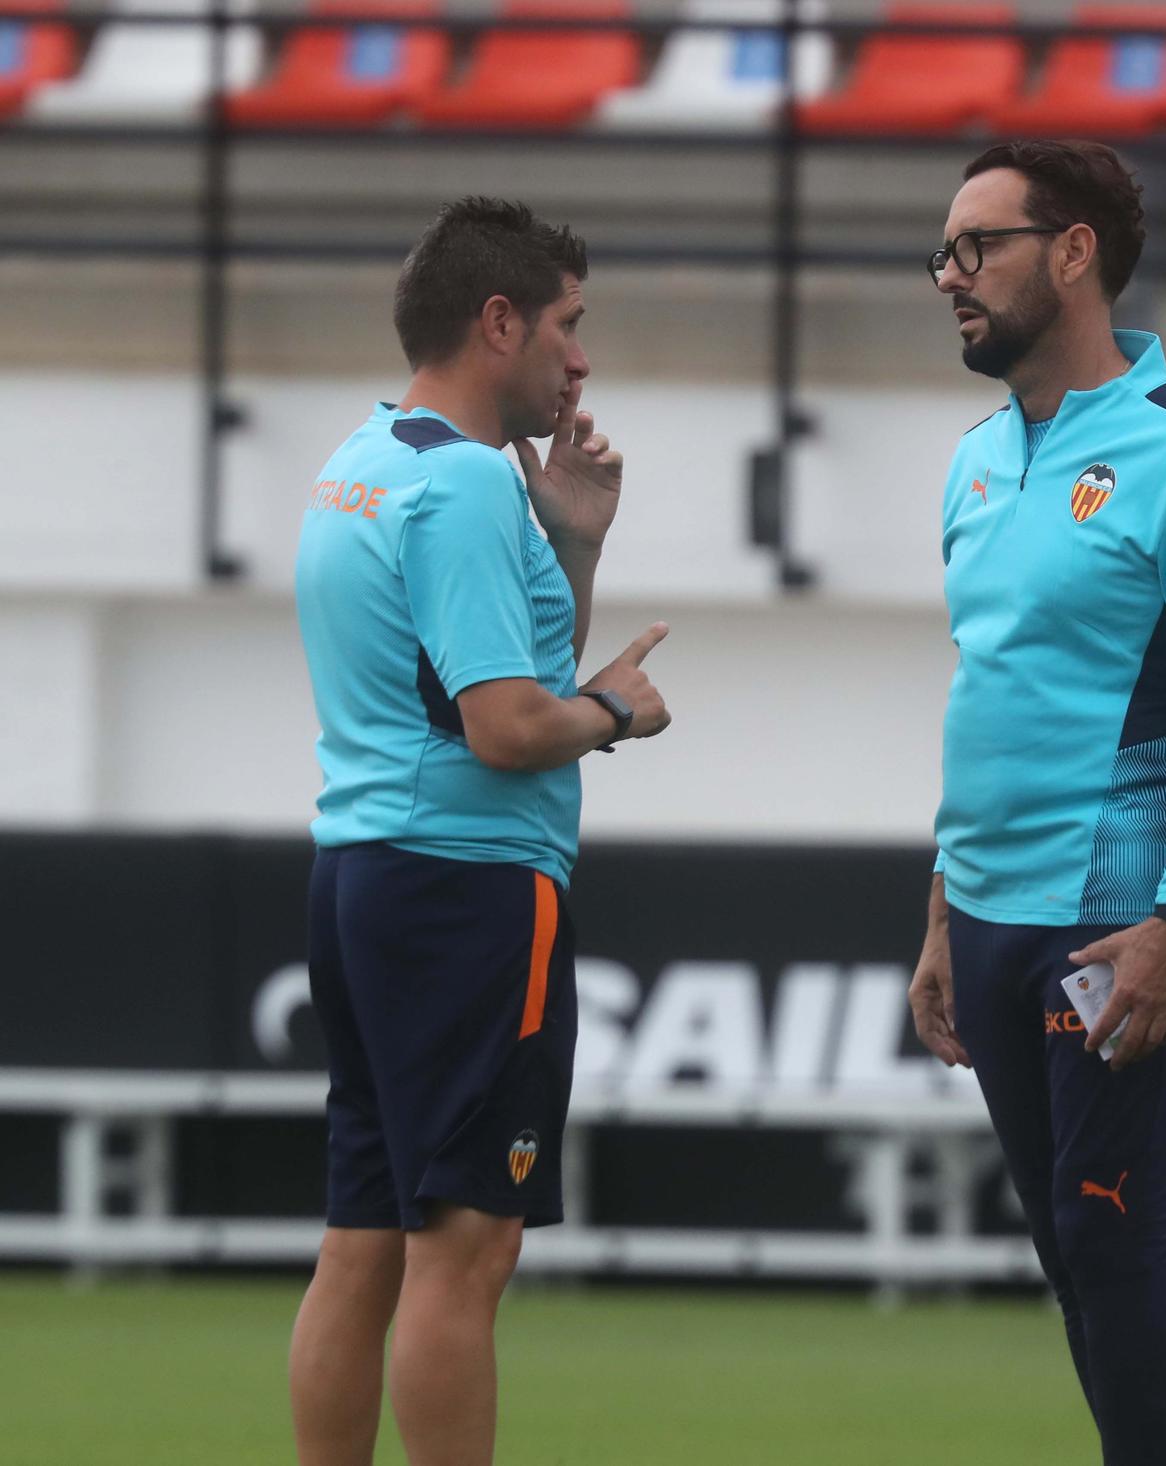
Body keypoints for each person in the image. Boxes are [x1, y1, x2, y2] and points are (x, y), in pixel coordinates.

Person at [906, 141, 1166, 1466]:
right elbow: (987, 690)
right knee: (1074, 1246)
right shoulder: (970, 460)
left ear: (1072, 252)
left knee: (1114, 1237)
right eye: (944, 252)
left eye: (977, 246)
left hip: (1117, 916)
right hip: (996, 917)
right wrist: (943, 914)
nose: (948, 274)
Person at [290, 197, 670, 1466]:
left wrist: (564, 539)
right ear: (496, 320)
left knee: (365, 1237)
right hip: (462, 887)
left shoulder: (367, 458)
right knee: (465, 1247)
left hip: (360, 871)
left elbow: (476, 678)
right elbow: (508, 725)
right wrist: (614, 709)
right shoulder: (456, 482)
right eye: (566, 325)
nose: (579, 359)